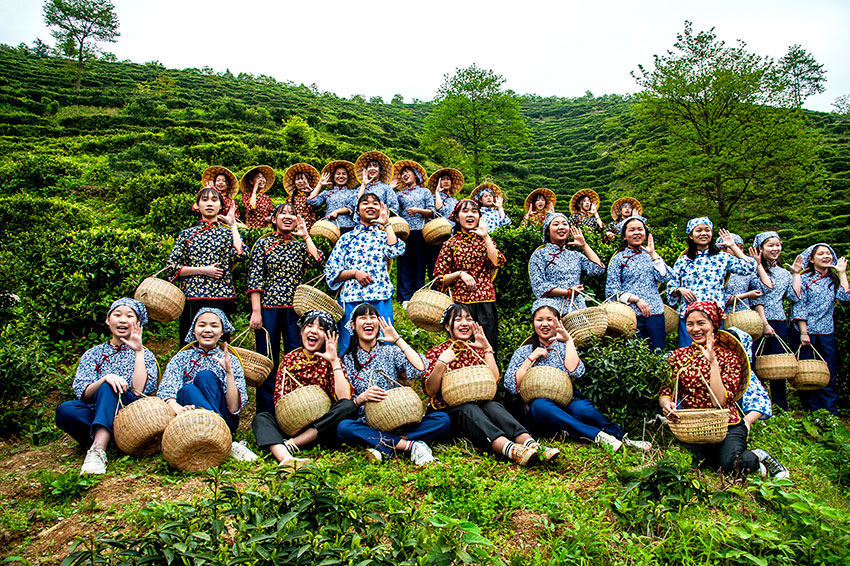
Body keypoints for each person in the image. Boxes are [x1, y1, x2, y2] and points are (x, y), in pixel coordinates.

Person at [660, 301, 788, 478]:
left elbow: (719, 401)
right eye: (690, 324)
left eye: (701, 323)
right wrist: (667, 404)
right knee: (695, 464)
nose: (695, 329)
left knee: (729, 466)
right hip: (693, 427)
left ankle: (759, 456)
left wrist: (712, 362)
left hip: (727, 426)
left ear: (713, 325)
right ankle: (739, 461)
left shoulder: (730, 357)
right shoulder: (677, 356)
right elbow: (666, 391)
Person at [423, 304, 559, 466]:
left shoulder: (476, 349)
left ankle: (532, 444)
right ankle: (510, 449)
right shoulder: (437, 352)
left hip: (480, 406)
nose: (465, 323)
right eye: (458, 320)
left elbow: (494, 380)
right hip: (451, 410)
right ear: (447, 326)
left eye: (469, 319)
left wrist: (487, 349)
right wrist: (441, 363)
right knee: (469, 408)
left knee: (493, 406)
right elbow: (431, 391)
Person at [505, 301, 651, 452]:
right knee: (540, 406)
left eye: (550, 319)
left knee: (583, 409)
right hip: (540, 411)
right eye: (539, 320)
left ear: (558, 322)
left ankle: (621, 437)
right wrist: (532, 357)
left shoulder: (563, 347)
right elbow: (511, 385)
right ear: (533, 323)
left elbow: (576, 372)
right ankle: (597, 436)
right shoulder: (523, 351)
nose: (545, 324)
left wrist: (568, 341)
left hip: (567, 400)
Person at [54, 298, 159, 475]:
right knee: (65, 410)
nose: (123, 320)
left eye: (129, 316)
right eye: (117, 315)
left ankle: (98, 449)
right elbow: (84, 393)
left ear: (138, 323)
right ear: (107, 320)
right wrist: (105, 379)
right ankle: (109, 438)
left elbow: (140, 391)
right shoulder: (93, 353)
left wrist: (138, 352)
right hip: (96, 410)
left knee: (111, 386)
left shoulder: (145, 353)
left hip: (129, 412)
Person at [336, 304, 451, 463]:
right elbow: (344, 400)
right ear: (353, 325)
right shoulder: (347, 360)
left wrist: (397, 340)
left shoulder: (390, 352)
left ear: (378, 324)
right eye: (363, 318)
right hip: (368, 422)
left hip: (400, 418)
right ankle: (410, 445)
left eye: (372, 317)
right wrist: (362, 398)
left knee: (443, 420)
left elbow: (420, 369)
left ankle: (385, 444)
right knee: (344, 428)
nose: (368, 321)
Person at [251, 310, 358, 468]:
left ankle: (292, 444)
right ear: (301, 332)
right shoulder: (289, 359)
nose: (314, 330)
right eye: (309, 326)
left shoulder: (331, 359)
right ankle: (286, 458)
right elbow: (279, 399)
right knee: (262, 418)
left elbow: (344, 398)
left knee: (348, 406)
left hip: (321, 426)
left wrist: (334, 361)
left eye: (321, 329)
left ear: (328, 337)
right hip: (292, 423)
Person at [247, 203, 324, 415]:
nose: (288, 216)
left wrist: (306, 236)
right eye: (283, 213)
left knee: (296, 354)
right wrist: (256, 311)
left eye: (293, 213)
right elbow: (255, 278)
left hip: (295, 310)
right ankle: (266, 411)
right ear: (274, 219)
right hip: (268, 308)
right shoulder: (263, 244)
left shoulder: (299, 245)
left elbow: (318, 261)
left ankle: (292, 408)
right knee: (267, 358)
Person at [157, 308, 257, 462]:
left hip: (226, 420)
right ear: (194, 330)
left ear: (222, 331)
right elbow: (167, 391)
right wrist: (180, 409)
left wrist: (229, 373)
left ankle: (221, 431)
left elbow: (233, 407)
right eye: (202, 325)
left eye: (214, 326)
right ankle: (229, 443)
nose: (208, 330)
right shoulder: (181, 358)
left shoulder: (230, 359)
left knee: (205, 376)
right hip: (190, 421)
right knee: (187, 390)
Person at [166, 187, 247, 347]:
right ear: (197, 206)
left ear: (220, 206)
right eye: (205, 200)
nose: (209, 203)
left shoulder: (227, 234)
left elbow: (241, 253)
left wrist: (232, 225)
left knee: (220, 344)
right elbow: (172, 267)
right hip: (193, 296)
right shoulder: (187, 234)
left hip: (221, 297)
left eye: (214, 200)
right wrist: (203, 270)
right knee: (191, 344)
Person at [325, 193, 405, 352]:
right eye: (365, 203)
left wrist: (387, 224)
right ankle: (348, 377)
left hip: (380, 298)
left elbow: (395, 251)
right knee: (349, 346)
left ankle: (383, 376)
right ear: (357, 211)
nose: (370, 206)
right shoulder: (347, 238)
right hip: (351, 299)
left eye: (375, 203)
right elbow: (331, 271)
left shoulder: (384, 236)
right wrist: (354, 273)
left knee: (384, 343)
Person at [667, 217, 755, 347]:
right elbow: (670, 287)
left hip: (714, 317)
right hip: (689, 318)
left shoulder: (722, 258)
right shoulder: (683, 260)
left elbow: (749, 267)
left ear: (712, 234)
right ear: (691, 235)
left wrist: (732, 246)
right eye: (699, 231)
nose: (703, 233)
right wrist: (680, 290)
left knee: (715, 355)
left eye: (707, 230)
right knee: (688, 356)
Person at [433, 199, 506, 355]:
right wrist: (460, 274)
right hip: (460, 305)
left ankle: (490, 378)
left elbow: (497, 262)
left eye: (474, 211)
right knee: (461, 348)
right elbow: (439, 279)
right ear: (457, 217)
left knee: (488, 346)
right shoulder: (450, 244)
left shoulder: (485, 240)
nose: (470, 214)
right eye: (465, 211)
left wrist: (486, 237)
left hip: (486, 301)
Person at [789, 243, 849, 415]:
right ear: (811, 259)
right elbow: (798, 303)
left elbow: (845, 297)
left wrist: (842, 272)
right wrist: (804, 332)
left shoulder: (833, 279)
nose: (826, 256)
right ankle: (812, 412)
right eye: (821, 254)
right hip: (805, 332)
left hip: (826, 332)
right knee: (808, 373)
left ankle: (830, 412)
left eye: (828, 253)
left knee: (828, 371)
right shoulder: (805, 279)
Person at [750, 231, 800, 411]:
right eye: (770, 245)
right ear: (760, 248)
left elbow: (794, 297)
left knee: (777, 366)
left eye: (777, 245)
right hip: (756, 321)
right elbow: (758, 296)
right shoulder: (753, 268)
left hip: (779, 320)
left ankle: (781, 406)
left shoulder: (783, 273)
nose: (775, 248)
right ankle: (760, 407)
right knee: (757, 364)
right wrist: (764, 324)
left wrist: (795, 274)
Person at [605, 216, 669, 351]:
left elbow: (665, 278)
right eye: (631, 230)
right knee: (635, 355)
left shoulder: (652, 256)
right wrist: (635, 299)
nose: (636, 233)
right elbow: (611, 291)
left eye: (640, 229)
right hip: (629, 316)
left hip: (655, 312)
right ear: (624, 236)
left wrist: (654, 256)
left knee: (657, 352)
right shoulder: (618, 259)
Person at [529, 212, 605, 316]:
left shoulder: (575, 255)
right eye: (556, 224)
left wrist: (584, 245)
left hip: (577, 311)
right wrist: (568, 292)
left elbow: (598, 269)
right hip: (551, 312)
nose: (561, 227)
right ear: (547, 231)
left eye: (565, 224)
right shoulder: (539, 254)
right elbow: (539, 286)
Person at [391, 160, 435, 303]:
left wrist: (418, 210)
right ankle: (404, 298)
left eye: (407, 172)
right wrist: (391, 189)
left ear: (416, 176)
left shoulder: (425, 191)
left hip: (421, 231)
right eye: (402, 173)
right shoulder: (400, 194)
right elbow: (393, 210)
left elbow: (432, 212)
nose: (404, 175)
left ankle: (418, 296)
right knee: (404, 264)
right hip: (404, 232)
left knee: (420, 264)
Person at [425, 167, 462, 277]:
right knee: (435, 265)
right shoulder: (431, 197)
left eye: (448, 179)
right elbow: (438, 210)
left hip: (451, 237)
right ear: (439, 182)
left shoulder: (455, 201)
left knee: (450, 265)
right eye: (443, 179)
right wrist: (437, 192)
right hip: (436, 235)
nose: (446, 181)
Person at [716, 233, 763, 317]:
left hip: (745, 317)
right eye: (735, 247)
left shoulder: (745, 271)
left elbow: (761, 289)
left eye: (741, 248)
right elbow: (720, 297)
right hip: (723, 316)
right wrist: (746, 295)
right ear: (722, 249)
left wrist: (758, 265)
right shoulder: (717, 269)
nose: (739, 251)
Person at [306, 160, 359, 234]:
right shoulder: (327, 193)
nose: (341, 176)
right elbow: (311, 201)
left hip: (348, 227)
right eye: (338, 174)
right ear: (333, 177)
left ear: (348, 177)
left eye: (344, 174)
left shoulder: (353, 192)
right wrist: (320, 184)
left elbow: (353, 206)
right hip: (329, 228)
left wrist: (337, 212)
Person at [284, 163, 319, 231]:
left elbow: (317, 204)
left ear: (308, 181)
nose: (300, 181)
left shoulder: (312, 196)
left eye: (303, 179)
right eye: (297, 179)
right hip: (293, 228)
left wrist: (311, 190)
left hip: (309, 227)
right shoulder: (290, 199)